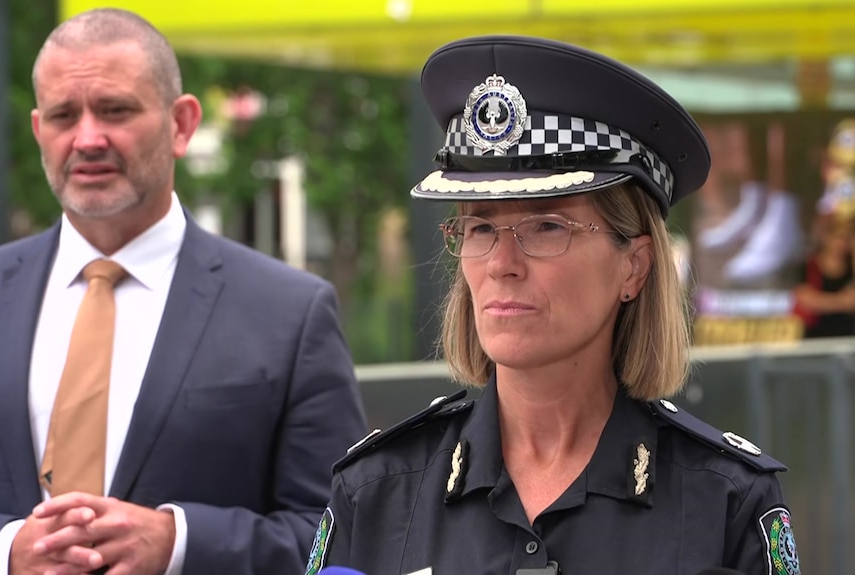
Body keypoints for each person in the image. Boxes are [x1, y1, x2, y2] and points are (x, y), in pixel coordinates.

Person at [307, 36, 800, 575]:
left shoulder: (726, 503)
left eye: (546, 226)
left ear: (633, 266)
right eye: (480, 227)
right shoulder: (375, 493)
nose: (501, 263)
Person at [0, 8, 367, 575]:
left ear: (182, 124)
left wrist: (181, 542)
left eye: (115, 110)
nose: (88, 138)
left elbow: (344, 532)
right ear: (38, 129)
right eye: (65, 115)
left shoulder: (289, 315)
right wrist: (7, 551)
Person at [793, 214, 855, 338]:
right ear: (827, 237)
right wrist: (841, 301)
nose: (842, 244)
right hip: (814, 337)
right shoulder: (808, 266)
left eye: (847, 239)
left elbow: (852, 302)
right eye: (838, 237)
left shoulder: (851, 268)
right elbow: (806, 301)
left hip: (846, 338)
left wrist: (822, 301)